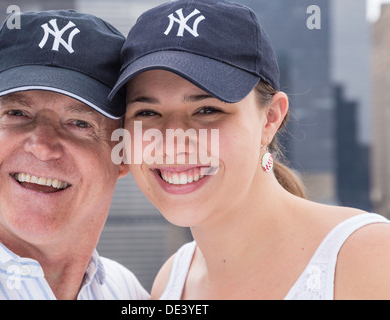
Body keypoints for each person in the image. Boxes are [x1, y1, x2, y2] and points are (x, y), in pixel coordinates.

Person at [108, 0, 390, 300]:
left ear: (270, 118)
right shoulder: (172, 280)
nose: (173, 142)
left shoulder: (369, 257)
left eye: (206, 109)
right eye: (147, 113)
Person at [0, 9, 149, 300]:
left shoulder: (127, 292)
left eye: (79, 123)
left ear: (124, 152)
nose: (42, 146)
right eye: (17, 113)